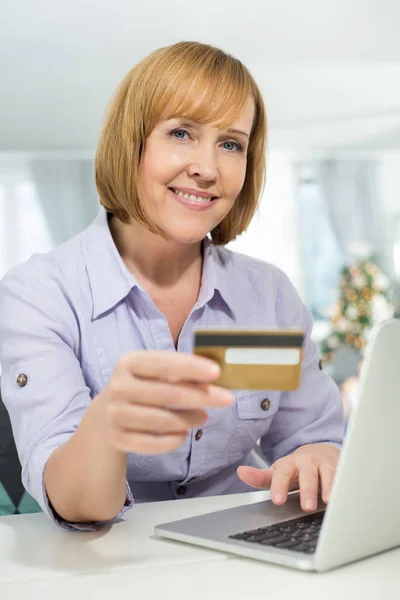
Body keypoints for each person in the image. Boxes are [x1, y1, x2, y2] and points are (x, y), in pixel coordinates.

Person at [0, 41, 344, 531]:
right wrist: (107, 425)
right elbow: (76, 504)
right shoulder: (38, 295)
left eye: (231, 144)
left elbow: (309, 434)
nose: (208, 168)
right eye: (181, 132)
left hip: (246, 549)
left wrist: (316, 459)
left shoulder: (267, 295)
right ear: (130, 143)